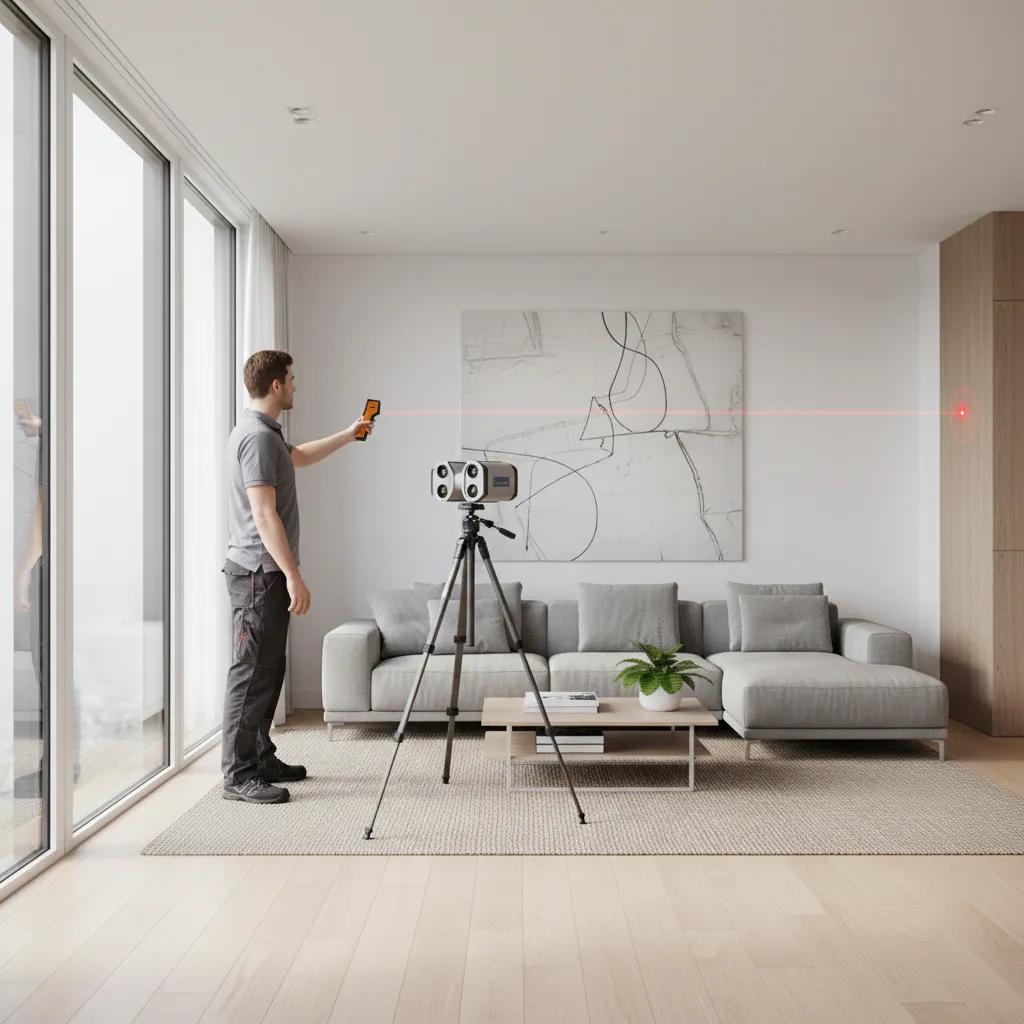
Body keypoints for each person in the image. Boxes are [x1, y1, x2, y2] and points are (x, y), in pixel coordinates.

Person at [222, 350, 375, 804]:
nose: (294, 386)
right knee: (252, 673)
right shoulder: (257, 438)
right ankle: (238, 775)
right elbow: (264, 514)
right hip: (259, 572)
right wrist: (293, 575)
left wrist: (349, 434)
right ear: (275, 385)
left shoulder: (263, 433)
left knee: (269, 671)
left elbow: (300, 456)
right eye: (290, 379)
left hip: (262, 571)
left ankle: (260, 756)